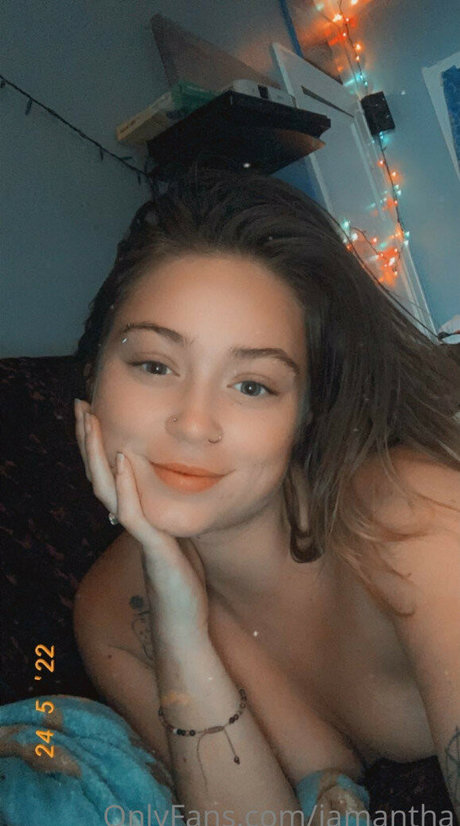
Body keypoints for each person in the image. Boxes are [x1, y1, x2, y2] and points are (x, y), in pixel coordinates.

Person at [4, 164, 458, 825]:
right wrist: (180, 629)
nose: (193, 424)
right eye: (155, 365)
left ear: (305, 413)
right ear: (93, 377)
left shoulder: (415, 515)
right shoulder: (110, 614)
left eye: (252, 385)